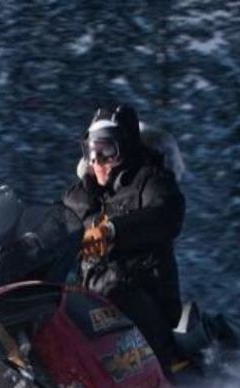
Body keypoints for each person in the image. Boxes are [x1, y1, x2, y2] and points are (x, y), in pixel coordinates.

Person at [62, 104, 185, 368]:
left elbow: (166, 213)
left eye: (106, 151)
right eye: (91, 152)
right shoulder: (82, 197)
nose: (97, 162)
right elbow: (52, 226)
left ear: (127, 148)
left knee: (111, 288)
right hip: (95, 311)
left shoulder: (152, 181)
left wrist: (112, 231)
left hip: (146, 311)